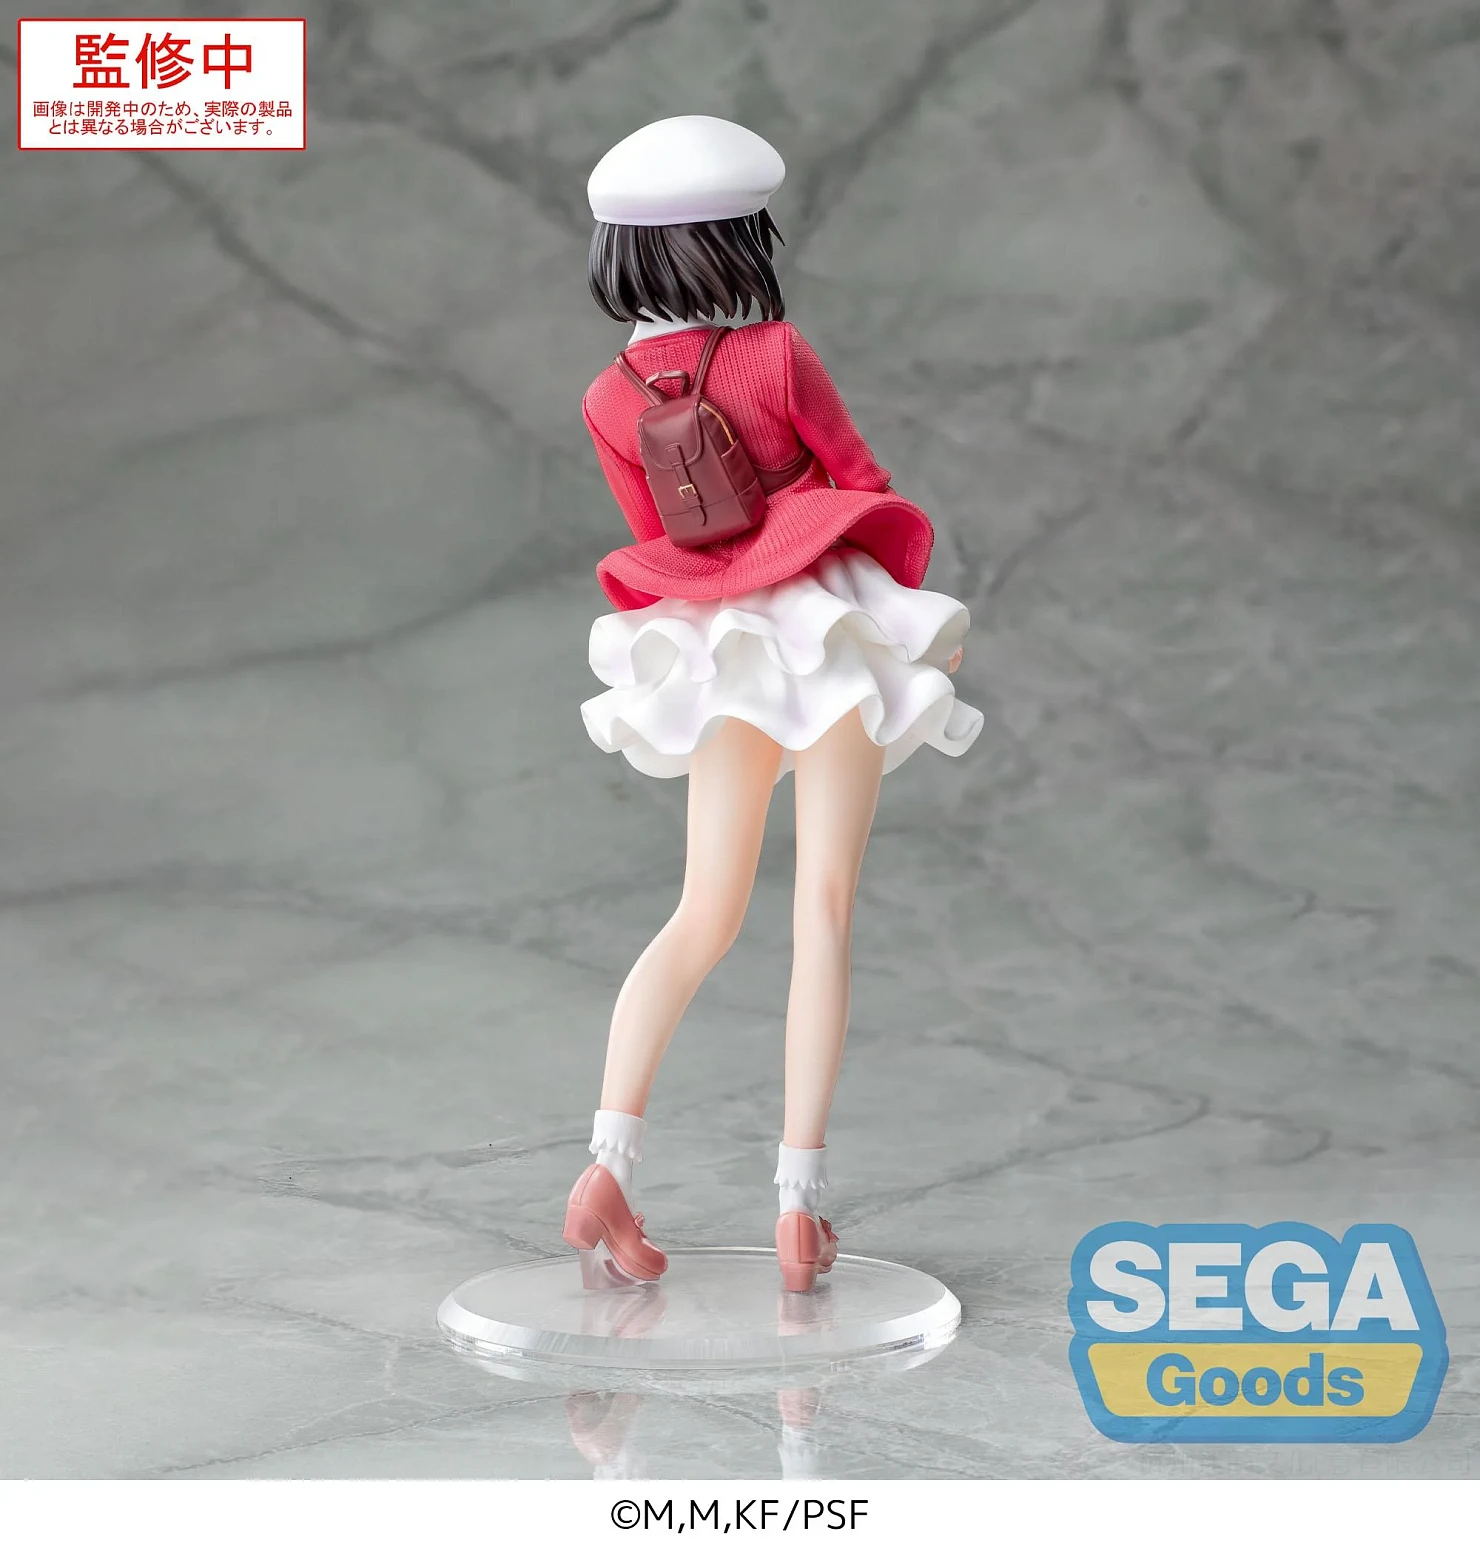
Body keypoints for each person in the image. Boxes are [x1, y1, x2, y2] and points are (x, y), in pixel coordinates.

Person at [562, 116, 983, 1293]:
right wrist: (910, 633)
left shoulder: (606, 397)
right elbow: (862, 483)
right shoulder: (776, 355)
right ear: (733, 242)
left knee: (702, 912)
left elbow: (658, 539)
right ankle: (798, 1205)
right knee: (824, 910)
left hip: (719, 649)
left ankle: (604, 1166)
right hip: (827, 639)